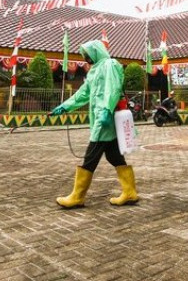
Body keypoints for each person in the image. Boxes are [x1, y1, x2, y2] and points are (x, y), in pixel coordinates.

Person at [49, 40, 139, 208]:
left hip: (105, 119)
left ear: (96, 51)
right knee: (114, 156)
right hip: (100, 118)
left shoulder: (110, 65)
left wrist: (106, 109)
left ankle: (77, 196)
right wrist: (64, 107)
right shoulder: (93, 71)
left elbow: (113, 88)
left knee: (91, 156)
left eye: (88, 54)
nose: (86, 58)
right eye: (84, 56)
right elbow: (82, 94)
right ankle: (130, 192)